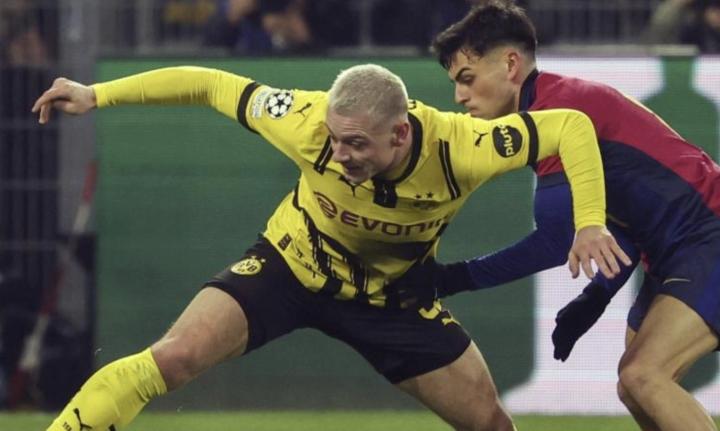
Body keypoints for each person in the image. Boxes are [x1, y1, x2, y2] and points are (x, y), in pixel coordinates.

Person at [32, 62, 629, 431]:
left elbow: (570, 126)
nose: (340, 156)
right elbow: (210, 85)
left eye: (357, 145)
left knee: (491, 424)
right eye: (335, 140)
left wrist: (589, 222)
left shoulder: (462, 147)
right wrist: (96, 94)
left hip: (391, 298)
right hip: (290, 266)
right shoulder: (304, 119)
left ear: (400, 133)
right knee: (174, 356)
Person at [386, 1, 720, 430]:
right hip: (679, 250)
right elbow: (623, 225)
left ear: (510, 64)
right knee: (635, 384)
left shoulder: (553, 113)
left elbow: (555, 241)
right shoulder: (552, 107)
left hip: (707, 238)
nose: (459, 97)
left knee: (645, 375)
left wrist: (450, 279)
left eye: (467, 79)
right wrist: (595, 297)